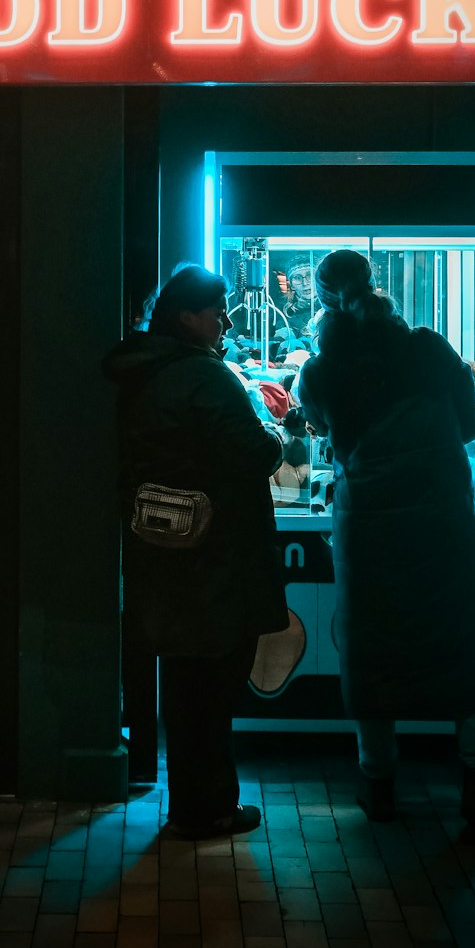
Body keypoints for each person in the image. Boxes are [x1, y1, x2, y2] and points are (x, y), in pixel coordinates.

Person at [295, 249, 475, 837]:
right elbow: (469, 425)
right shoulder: (430, 349)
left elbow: (318, 432)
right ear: (375, 284)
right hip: (444, 522)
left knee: (376, 648)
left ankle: (379, 784)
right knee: (464, 642)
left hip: (371, 530)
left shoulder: (322, 370)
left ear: (323, 300)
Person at [103, 263, 288, 839]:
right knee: (214, 686)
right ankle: (212, 807)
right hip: (217, 552)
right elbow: (257, 453)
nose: (226, 321)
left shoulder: (141, 371)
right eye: (217, 311)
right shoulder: (204, 378)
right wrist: (274, 431)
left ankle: (189, 804)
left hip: (164, 548)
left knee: (184, 686)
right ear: (188, 316)